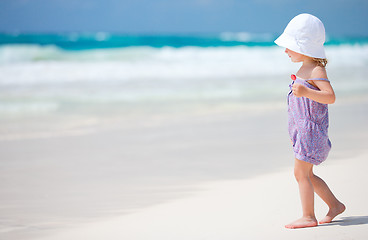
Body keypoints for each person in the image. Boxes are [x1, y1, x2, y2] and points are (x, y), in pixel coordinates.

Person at [274, 13, 345, 229]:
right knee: (308, 174)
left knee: (300, 174)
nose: (285, 50)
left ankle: (308, 216)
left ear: (304, 46)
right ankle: (335, 205)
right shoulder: (304, 68)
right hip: (302, 131)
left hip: (311, 132)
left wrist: (305, 91)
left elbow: (330, 97)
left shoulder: (316, 70)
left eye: (289, 46)